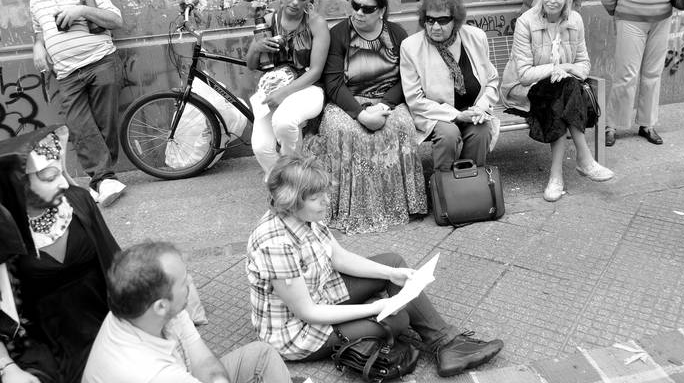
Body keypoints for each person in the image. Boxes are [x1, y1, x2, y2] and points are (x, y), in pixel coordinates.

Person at [246, 155, 504, 378]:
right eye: (317, 197)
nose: (326, 201)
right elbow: (308, 313)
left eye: (326, 192)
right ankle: (440, 344)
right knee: (398, 317)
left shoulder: (305, 215)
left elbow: (339, 258)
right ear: (291, 201)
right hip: (298, 332)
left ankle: (446, 344)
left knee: (393, 262)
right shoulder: (275, 244)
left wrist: (391, 274)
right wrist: (376, 307)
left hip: (321, 292)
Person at [303, 0, 426, 234]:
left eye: (367, 8)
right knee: (345, 131)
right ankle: (353, 209)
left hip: (387, 100)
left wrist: (382, 107)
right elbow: (334, 84)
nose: (358, 12)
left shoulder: (396, 33)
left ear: (381, 10)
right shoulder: (338, 34)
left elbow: (407, 79)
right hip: (347, 102)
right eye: (355, 5)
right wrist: (360, 114)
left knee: (401, 125)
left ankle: (400, 205)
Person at [0, 125, 120, 383]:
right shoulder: (4, 232)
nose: (64, 182)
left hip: (107, 329)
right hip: (46, 353)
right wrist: (7, 367)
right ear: (18, 185)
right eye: (50, 176)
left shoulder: (77, 201)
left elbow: (114, 261)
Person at [82, 241, 293, 383]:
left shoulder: (146, 309)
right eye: (184, 282)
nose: (191, 283)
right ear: (161, 305)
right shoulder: (151, 373)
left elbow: (202, 361)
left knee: (261, 354)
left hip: (183, 371)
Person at [20, 0, 126, 206]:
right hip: (66, 73)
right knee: (79, 127)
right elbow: (39, 31)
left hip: (100, 63)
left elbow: (116, 21)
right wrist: (38, 46)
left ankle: (101, 180)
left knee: (105, 124)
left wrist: (81, 10)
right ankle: (104, 180)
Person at [501, 0, 614, 202]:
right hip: (522, 91)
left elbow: (583, 64)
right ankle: (584, 161)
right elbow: (523, 75)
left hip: (557, 93)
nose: (552, 0)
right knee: (565, 88)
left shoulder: (575, 21)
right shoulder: (526, 22)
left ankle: (557, 177)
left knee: (562, 92)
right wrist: (557, 68)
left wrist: (567, 69)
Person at [600, 0, 680, 147]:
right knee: (626, 75)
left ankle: (647, 124)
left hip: (662, 19)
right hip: (631, 22)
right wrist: (622, 16)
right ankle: (612, 125)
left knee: (653, 73)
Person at [400, 0, 500, 173]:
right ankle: (444, 189)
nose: (435, 27)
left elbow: (492, 81)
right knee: (449, 134)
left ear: (456, 21)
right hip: (436, 115)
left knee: (482, 131)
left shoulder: (476, 37)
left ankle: (470, 184)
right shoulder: (411, 47)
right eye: (430, 20)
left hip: (472, 111)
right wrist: (457, 116)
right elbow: (415, 99)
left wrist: (480, 108)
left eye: (443, 20)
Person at [246, 0, 330, 180]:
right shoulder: (265, 22)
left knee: (284, 122)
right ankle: (284, 185)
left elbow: (316, 71)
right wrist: (256, 47)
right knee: (261, 147)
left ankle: (297, 184)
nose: (295, 2)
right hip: (272, 89)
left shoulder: (315, 23)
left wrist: (284, 93)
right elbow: (251, 65)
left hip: (307, 88)